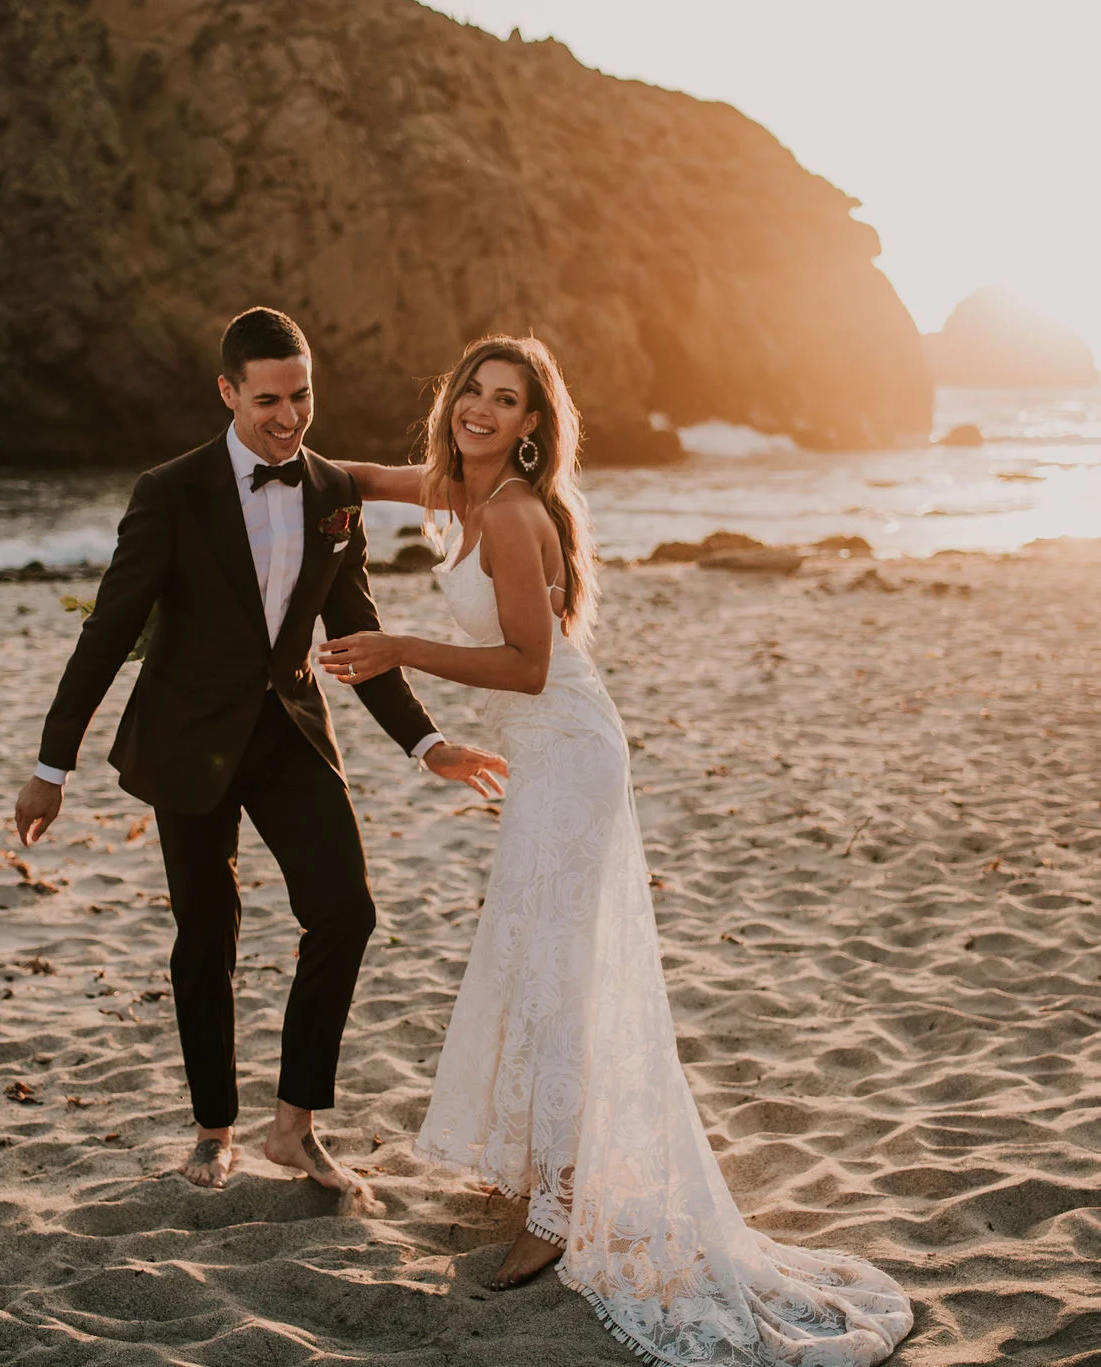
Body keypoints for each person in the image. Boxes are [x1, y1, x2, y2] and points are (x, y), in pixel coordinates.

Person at [318, 335, 913, 1364]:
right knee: (536, 953)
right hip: (551, 750)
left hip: (568, 749)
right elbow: (368, 477)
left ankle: (556, 1208)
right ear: (454, 400)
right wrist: (288, 469)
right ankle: (544, 1163)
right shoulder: (461, 485)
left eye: (506, 401)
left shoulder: (506, 510)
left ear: (530, 426)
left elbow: (523, 664)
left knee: (555, 967)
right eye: (473, 391)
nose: (481, 409)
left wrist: (395, 645)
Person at [12, 307, 507, 1199]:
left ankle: (296, 1126)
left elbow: (359, 634)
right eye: (269, 399)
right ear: (228, 392)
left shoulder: (332, 494)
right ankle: (214, 1129)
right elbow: (107, 631)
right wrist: (53, 768)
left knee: (346, 914)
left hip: (288, 735)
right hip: (186, 741)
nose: (288, 416)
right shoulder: (169, 490)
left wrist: (426, 740)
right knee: (207, 936)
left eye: (303, 395)